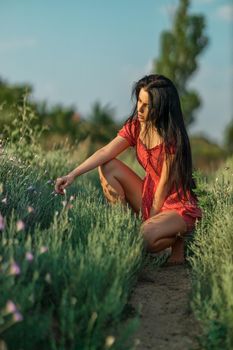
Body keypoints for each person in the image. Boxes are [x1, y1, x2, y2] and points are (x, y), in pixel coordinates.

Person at [55, 74, 202, 265]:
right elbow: (106, 151)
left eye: (146, 105)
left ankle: (177, 242)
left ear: (161, 108)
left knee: (145, 238)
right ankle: (124, 227)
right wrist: (72, 174)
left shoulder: (172, 139)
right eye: (139, 101)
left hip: (176, 206)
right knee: (108, 165)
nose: (139, 109)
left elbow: (164, 186)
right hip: (149, 197)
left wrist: (149, 222)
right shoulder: (136, 127)